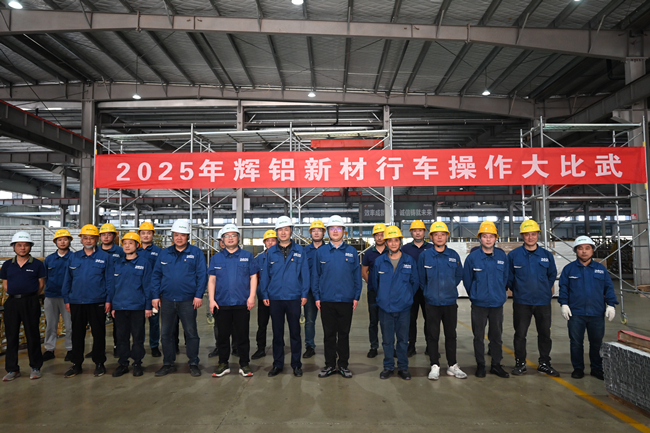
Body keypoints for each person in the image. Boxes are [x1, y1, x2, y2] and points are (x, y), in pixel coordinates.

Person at [151, 219, 207, 377]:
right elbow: (156, 275)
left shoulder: (195, 253)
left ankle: (193, 362)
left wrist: (198, 295)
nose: (179, 238)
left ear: (188, 236)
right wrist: (155, 296)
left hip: (188, 300)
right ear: (172, 236)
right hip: (167, 300)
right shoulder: (164, 253)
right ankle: (168, 363)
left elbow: (202, 275)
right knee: (166, 334)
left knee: (191, 333)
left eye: (182, 235)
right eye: (176, 235)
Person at [559, 236, 617, 380]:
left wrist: (611, 304)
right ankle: (578, 368)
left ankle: (596, 368)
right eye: (580, 248)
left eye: (587, 248)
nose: (584, 251)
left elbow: (608, 288)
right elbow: (563, 288)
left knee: (596, 343)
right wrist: (564, 304)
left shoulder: (600, 269)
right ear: (576, 251)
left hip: (596, 313)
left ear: (592, 250)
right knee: (576, 343)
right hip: (575, 313)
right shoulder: (569, 269)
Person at [312, 215, 362, 378]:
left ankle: (343, 365)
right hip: (326, 300)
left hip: (346, 300)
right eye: (332, 228)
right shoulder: (321, 252)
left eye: (338, 228)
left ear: (343, 231)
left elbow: (357, 276)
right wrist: (317, 296)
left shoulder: (351, 251)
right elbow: (316, 276)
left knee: (344, 334)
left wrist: (356, 296)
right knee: (329, 335)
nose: (335, 231)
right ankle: (329, 365)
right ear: (328, 232)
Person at [508, 219, 559, 377]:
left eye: (533, 234)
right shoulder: (514, 255)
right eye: (527, 234)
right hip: (522, 302)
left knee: (544, 334)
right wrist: (518, 290)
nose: (530, 237)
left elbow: (552, 275)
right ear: (522, 236)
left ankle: (544, 363)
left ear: (538, 235)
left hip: (543, 302)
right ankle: (520, 363)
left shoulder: (546, 255)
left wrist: (544, 289)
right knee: (520, 334)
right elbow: (509, 277)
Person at [61, 224, 114, 378]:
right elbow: (67, 280)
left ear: (97, 239)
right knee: (77, 334)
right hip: (77, 301)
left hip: (97, 301)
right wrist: (67, 299)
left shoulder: (105, 257)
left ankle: (99, 363)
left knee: (98, 333)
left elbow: (110, 281)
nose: (88, 240)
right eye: (85, 238)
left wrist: (108, 300)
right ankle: (76, 364)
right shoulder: (74, 257)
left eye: (91, 238)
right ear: (81, 240)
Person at [259, 216, 309, 378]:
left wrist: (304, 293)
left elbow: (305, 274)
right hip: (275, 298)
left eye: (286, 229)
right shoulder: (271, 252)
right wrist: (265, 293)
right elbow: (265, 275)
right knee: (277, 333)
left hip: (294, 297)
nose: (283, 232)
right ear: (277, 232)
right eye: (280, 230)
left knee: (295, 333)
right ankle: (277, 364)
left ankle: (296, 364)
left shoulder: (300, 250)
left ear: (291, 231)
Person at [208, 224, 260, 378]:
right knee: (222, 336)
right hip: (222, 303)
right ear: (222, 240)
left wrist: (251, 296)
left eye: (233, 235)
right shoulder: (216, 258)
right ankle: (223, 363)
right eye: (227, 236)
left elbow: (253, 277)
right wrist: (211, 300)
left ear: (238, 238)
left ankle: (244, 364)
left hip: (242, 303)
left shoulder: (247, 256)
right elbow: (212, 280)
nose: (230, 238)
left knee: (242, 336)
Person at [418, 221, 467, 381]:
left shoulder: (453, 255)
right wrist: (429, 291)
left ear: (447, 236)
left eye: (443, 234)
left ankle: (452, 365)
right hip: (432, 302)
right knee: (433, 335)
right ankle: (434, 365)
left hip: (450, 302)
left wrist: (450, 287)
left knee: (451, 334)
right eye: (436, 235)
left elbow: (459, 275)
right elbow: (421, 278)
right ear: (431, 237)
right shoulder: (425, 256)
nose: (439, 237)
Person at [463, 220, 510, 379]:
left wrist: (499, 293)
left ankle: (496, 365)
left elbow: (505, 277)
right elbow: (467, 280)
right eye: (485, 236)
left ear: (496, 238)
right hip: (479, 304)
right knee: (478, 336)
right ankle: (481, 365)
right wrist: (475, 295)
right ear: (480, 238)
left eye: (491, 236)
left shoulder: (502, 256)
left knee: (496, 336)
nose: (488, 239)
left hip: (497, 303)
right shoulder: (472, 258)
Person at [371, 226, 418, 380]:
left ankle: (403, 367)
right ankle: (388, 367)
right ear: (386, 243)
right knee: (387, 340)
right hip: (385, 308)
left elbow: (415, 282)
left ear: (400, 242)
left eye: (395, 240)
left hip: (404, 308)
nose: (393, 243)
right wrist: (383, 297)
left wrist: (406, 297)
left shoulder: (409, 261)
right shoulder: (379, 262)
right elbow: (375, 283)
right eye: (390, 241)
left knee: (403, 340)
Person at [1, 232, 46, 381]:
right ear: (13, 247)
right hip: (12, 303)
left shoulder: (37, 264)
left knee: (32, 335)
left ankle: (35, 367)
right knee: (11, 336)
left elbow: (40, 285)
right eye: (19, 245)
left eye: (26, 245)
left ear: (30, 247)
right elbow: (5, 285)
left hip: (30, 302)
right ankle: (12, 369)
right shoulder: (7, 265)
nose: (22, 248)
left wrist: (29, 296)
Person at [111, 232, 152, 377]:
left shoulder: (144, 263)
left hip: (137, 307)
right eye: (125, 243)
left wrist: (148, 306)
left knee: (137, 337)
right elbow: (112, 286)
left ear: (137, 245)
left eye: (130, 243)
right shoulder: (117, 264)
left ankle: (137, 363)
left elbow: (147, 286)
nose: (127, 246)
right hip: (120, 306)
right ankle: (123, 363)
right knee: (121, 337)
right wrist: (113, 305)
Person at [402, 220, 433, 357]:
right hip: (411, 290)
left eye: (420, 230)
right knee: (410, 319)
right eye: (415, 230)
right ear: (411, 233)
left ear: (424, 232)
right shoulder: (405, 249)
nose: (418, 233)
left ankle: (430, 346)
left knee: (430, 319)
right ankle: (411, 346)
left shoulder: (432, 248)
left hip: (428, 289)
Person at [42, 229, 73, 363]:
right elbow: (44, 278)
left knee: (70, 325)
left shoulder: (74, 258)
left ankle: (71, 349)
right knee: (51, 324)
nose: (62, 242)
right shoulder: (49, 259)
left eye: (65, 239)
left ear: (69, 241)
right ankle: (49, 349)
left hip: (69, 298)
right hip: (51, 296)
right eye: (59, 240)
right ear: (55, 242)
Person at [137, 221, 163, 358]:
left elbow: (162, 272)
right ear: (139, 235)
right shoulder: (134, 250)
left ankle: (154, 346)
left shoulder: (159, 252)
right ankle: (139, 346)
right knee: (138, 322)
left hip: (153, 291)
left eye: (148, 233)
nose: (146, 235)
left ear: (153, 235)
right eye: (143, 233)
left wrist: (159, 292)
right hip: (137, 291)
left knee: (154, 321)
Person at [361, 223, 387, 358]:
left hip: (388, 293)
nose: (379, 237)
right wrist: (372, 283)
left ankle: (389, 346)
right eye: (377, 235)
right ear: (374, 237)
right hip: (373, 292)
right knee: (373, 321)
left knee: (387, 321)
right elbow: (364, 271)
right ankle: (374, 346)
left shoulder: (391, 251)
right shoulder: (369, 253)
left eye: (382, 234)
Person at [99, 223, 125, 358]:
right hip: (99, 291)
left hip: (116, 290)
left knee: (118, 322)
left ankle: (118, 346)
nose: (106, 237)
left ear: (114, 236)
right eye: (103, 235)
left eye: (109, 235)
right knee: (98, 323)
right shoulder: (95, 251)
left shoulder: (120, 252)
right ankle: (99, 348)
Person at [251, 230, 277, 360]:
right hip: (263, 297)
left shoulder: (281, 257)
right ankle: (260, 348)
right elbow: (254, 278)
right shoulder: (258, 259)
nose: (270, 243)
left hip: (277, 297)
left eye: (273, 240)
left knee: (277, 325)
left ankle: (278, 347)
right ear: (264, 243)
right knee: (262, 324)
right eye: (268, 241)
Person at [303, 220, 325, 359]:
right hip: (310, 292)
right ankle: (309, 346)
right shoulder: (304, 251)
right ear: (310, 233)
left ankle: (331, 346)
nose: (316, 233)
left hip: (326, 291)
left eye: (319, 230)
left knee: (329, 321)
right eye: (314, 230)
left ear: (324, 233)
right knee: (309, 320)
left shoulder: (328, 250)